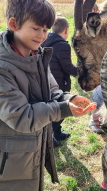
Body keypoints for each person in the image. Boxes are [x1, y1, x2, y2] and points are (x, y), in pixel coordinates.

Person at [0, 0, 96, 191]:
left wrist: (69, 98)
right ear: (13, 24)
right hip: (3, 168)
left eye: (46, 29)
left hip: (28, 157)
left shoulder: (37, 57)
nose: (42, 35)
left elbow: (51, 92)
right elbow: (21, 117)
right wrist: (62, 109)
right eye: (36, 28)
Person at [41, 17, 78, 147]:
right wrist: (82, 70)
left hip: (46, 82)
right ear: (66, 30)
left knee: (53, 108)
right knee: (60, 111)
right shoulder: (62, 45)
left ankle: (57, 133)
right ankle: (49, 136)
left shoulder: (45, 40)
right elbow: (68, 68)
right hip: (59, 84)